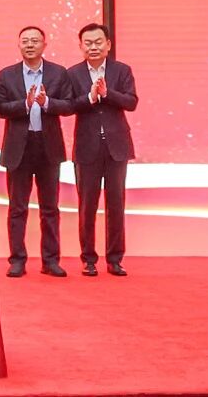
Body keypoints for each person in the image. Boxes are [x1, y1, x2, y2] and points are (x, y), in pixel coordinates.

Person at [0, 25, 75, 278]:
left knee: (50, 207)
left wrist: (46, 102)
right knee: (17, 207)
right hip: (19, 147)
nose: (30, 45)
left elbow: (69, 105)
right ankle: (17, 260)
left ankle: (50, 260)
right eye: (25, 41)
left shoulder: (58, 73)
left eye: (35, 41)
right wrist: (25, 104)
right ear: (19, 45)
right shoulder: (6, 75)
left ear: (44, 45)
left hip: (48, 146)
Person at [68, 23, 139, 277]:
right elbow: (67, 106)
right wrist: (89, 98)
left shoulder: (122, 70)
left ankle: (115, 259)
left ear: (108, 44)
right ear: (81, 46)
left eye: (98, 42)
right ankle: (88, 259)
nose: (94, 47)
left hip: (116, 147)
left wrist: (108, 94)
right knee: (87, 205)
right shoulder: (73, 73)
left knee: (116, 204)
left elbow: (131, 102)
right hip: (86, 147)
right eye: (88, 43)